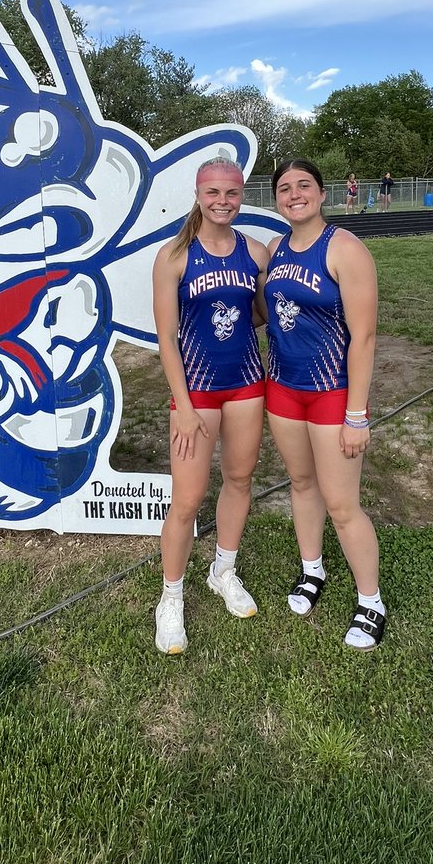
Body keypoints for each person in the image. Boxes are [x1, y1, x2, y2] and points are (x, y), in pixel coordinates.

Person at [264, 159, 385, 649]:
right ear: (277, 198)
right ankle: (312, 570)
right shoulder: (273, 248)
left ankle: (370, 600)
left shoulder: (345, 249)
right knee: (301, 482)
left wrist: (357, 414)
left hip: (332, 391)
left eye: (304, 186)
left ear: (322, 192)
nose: (295, 194)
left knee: (341, 503)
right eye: (285, 188)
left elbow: (365, 337)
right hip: (284, 389)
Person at [151, 157, 269, 655]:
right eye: (213, 193)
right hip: (196, 392)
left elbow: (265, 313)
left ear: (242, 196)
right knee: (187, 499)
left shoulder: (256, 252)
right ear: (198, 195)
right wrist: (183, 402)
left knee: (239, 480)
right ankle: (170, 597)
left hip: (245, 383)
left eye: (232, 194)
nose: (223, 202)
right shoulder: (174, 256)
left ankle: (223, 569)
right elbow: (166, 337)